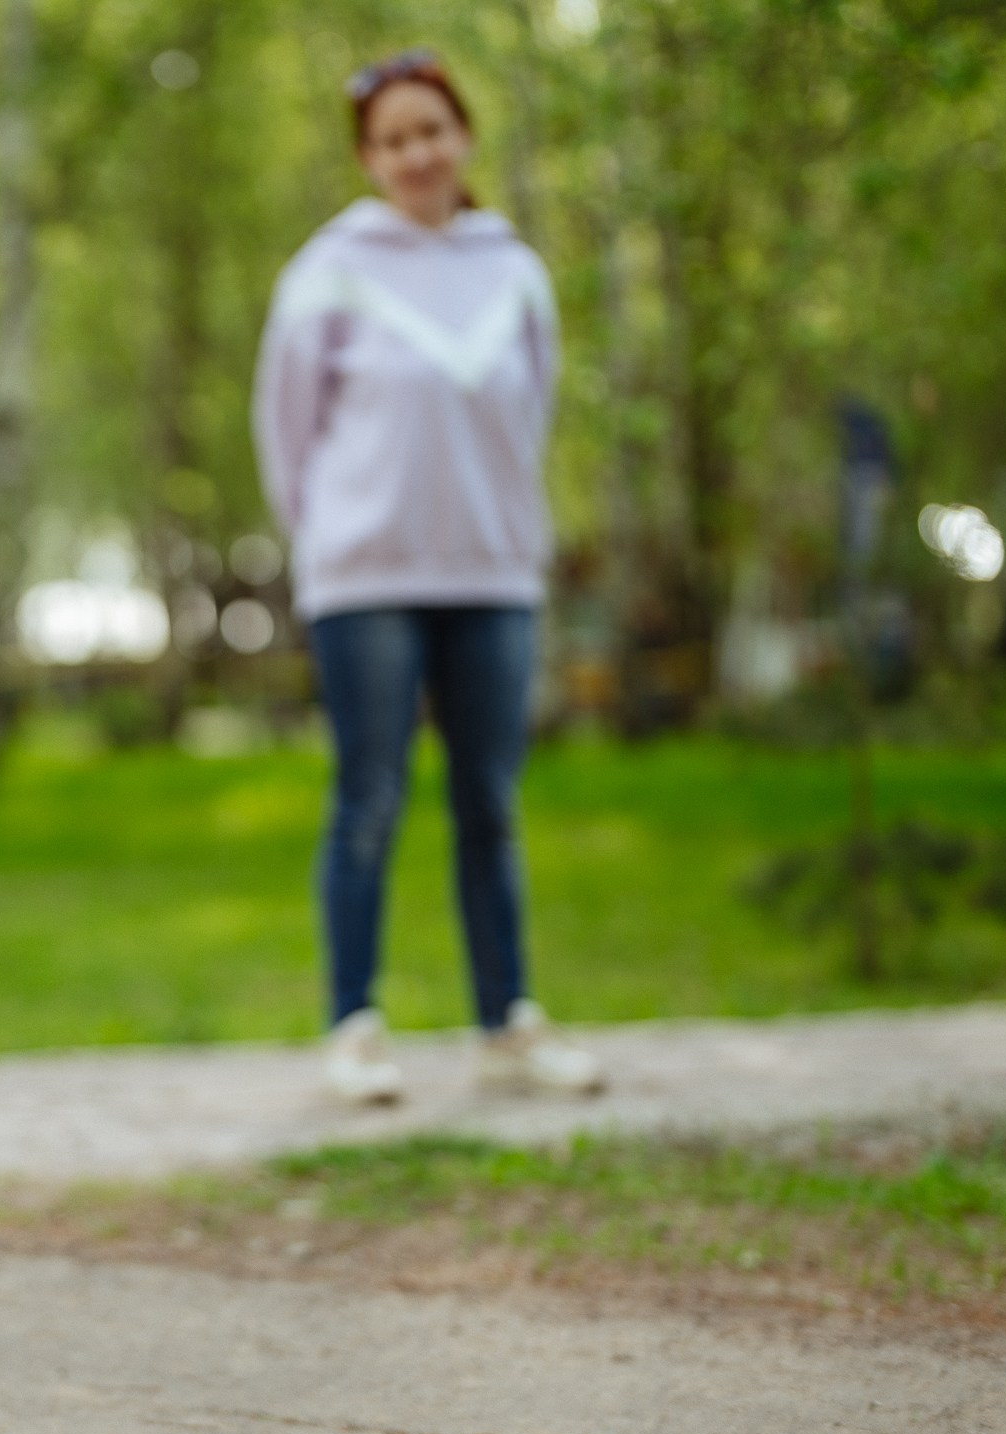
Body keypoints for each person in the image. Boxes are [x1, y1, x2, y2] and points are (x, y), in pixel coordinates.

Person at [251, 49, 602, 1104]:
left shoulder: (515, 271)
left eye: (430, 131)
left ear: (463, 139)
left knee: (489, 803)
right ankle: (354, 1029)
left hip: (492, 574)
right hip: (365, 581)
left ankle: (509, 1026)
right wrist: (329, 545)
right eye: (393, 138)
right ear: (369, 156)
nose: (415, 153)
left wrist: (497, 523)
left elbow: (529, 412)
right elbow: (286, 429)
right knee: (369, 798)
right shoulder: (326, 273)